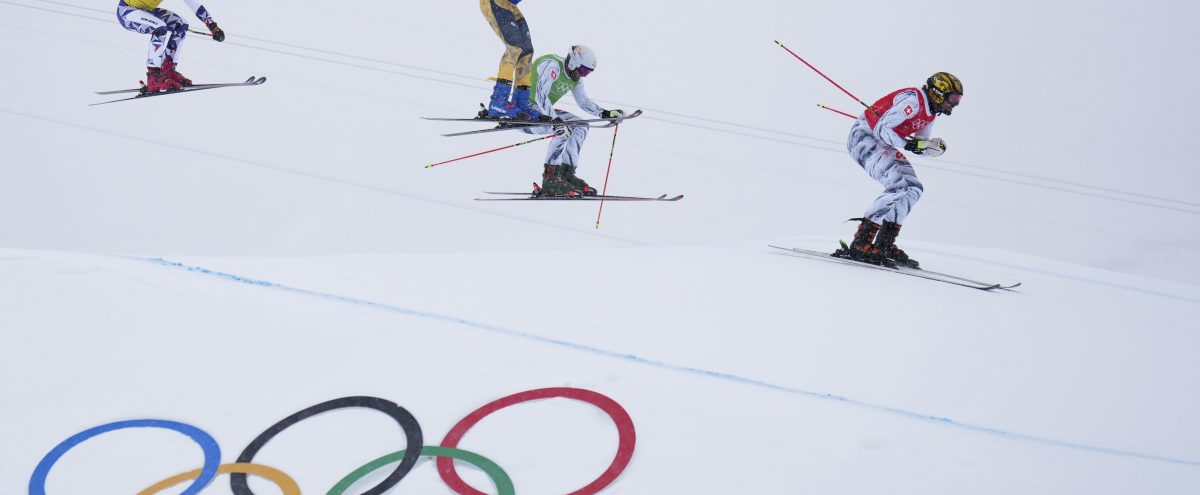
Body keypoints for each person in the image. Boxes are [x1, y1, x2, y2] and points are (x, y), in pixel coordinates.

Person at [833, 72, 964, 268]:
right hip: (864, 138)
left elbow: (919, 143)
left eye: (958, 100)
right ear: (938, 93)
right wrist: (908, 144)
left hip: (880, 142)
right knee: (900, 186)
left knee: (914, 189)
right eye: (952, 99)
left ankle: (884, 243)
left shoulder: (931, 111)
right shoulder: (913, 101)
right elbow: (882, 129)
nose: (954, 104)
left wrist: (929, 148)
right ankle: (861, 243)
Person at [518, 45, 627, 197]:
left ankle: (565, 174)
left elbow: (583, 102)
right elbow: (540, 95)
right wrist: (555, 120)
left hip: (544, 114)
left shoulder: (575, 78)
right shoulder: (552, 66)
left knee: (581, 126)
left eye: (588, 72)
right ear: (573, 62)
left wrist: (605, 114)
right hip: (524, 114)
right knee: (562, 129)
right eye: (583, 70)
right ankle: (550, 180)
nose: (584, 75)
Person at [116, 0, 225, 93]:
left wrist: (212, 26)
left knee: (181, 25)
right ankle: (153, 75)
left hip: (146, 11)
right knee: (160, 27)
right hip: (127, 12)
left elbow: (194, 4)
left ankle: (167, 69)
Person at [478, 0, 543, 120]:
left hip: (509, 5)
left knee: (527, 52)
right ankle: (498, 103)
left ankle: (520, 104)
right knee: (514, 47)